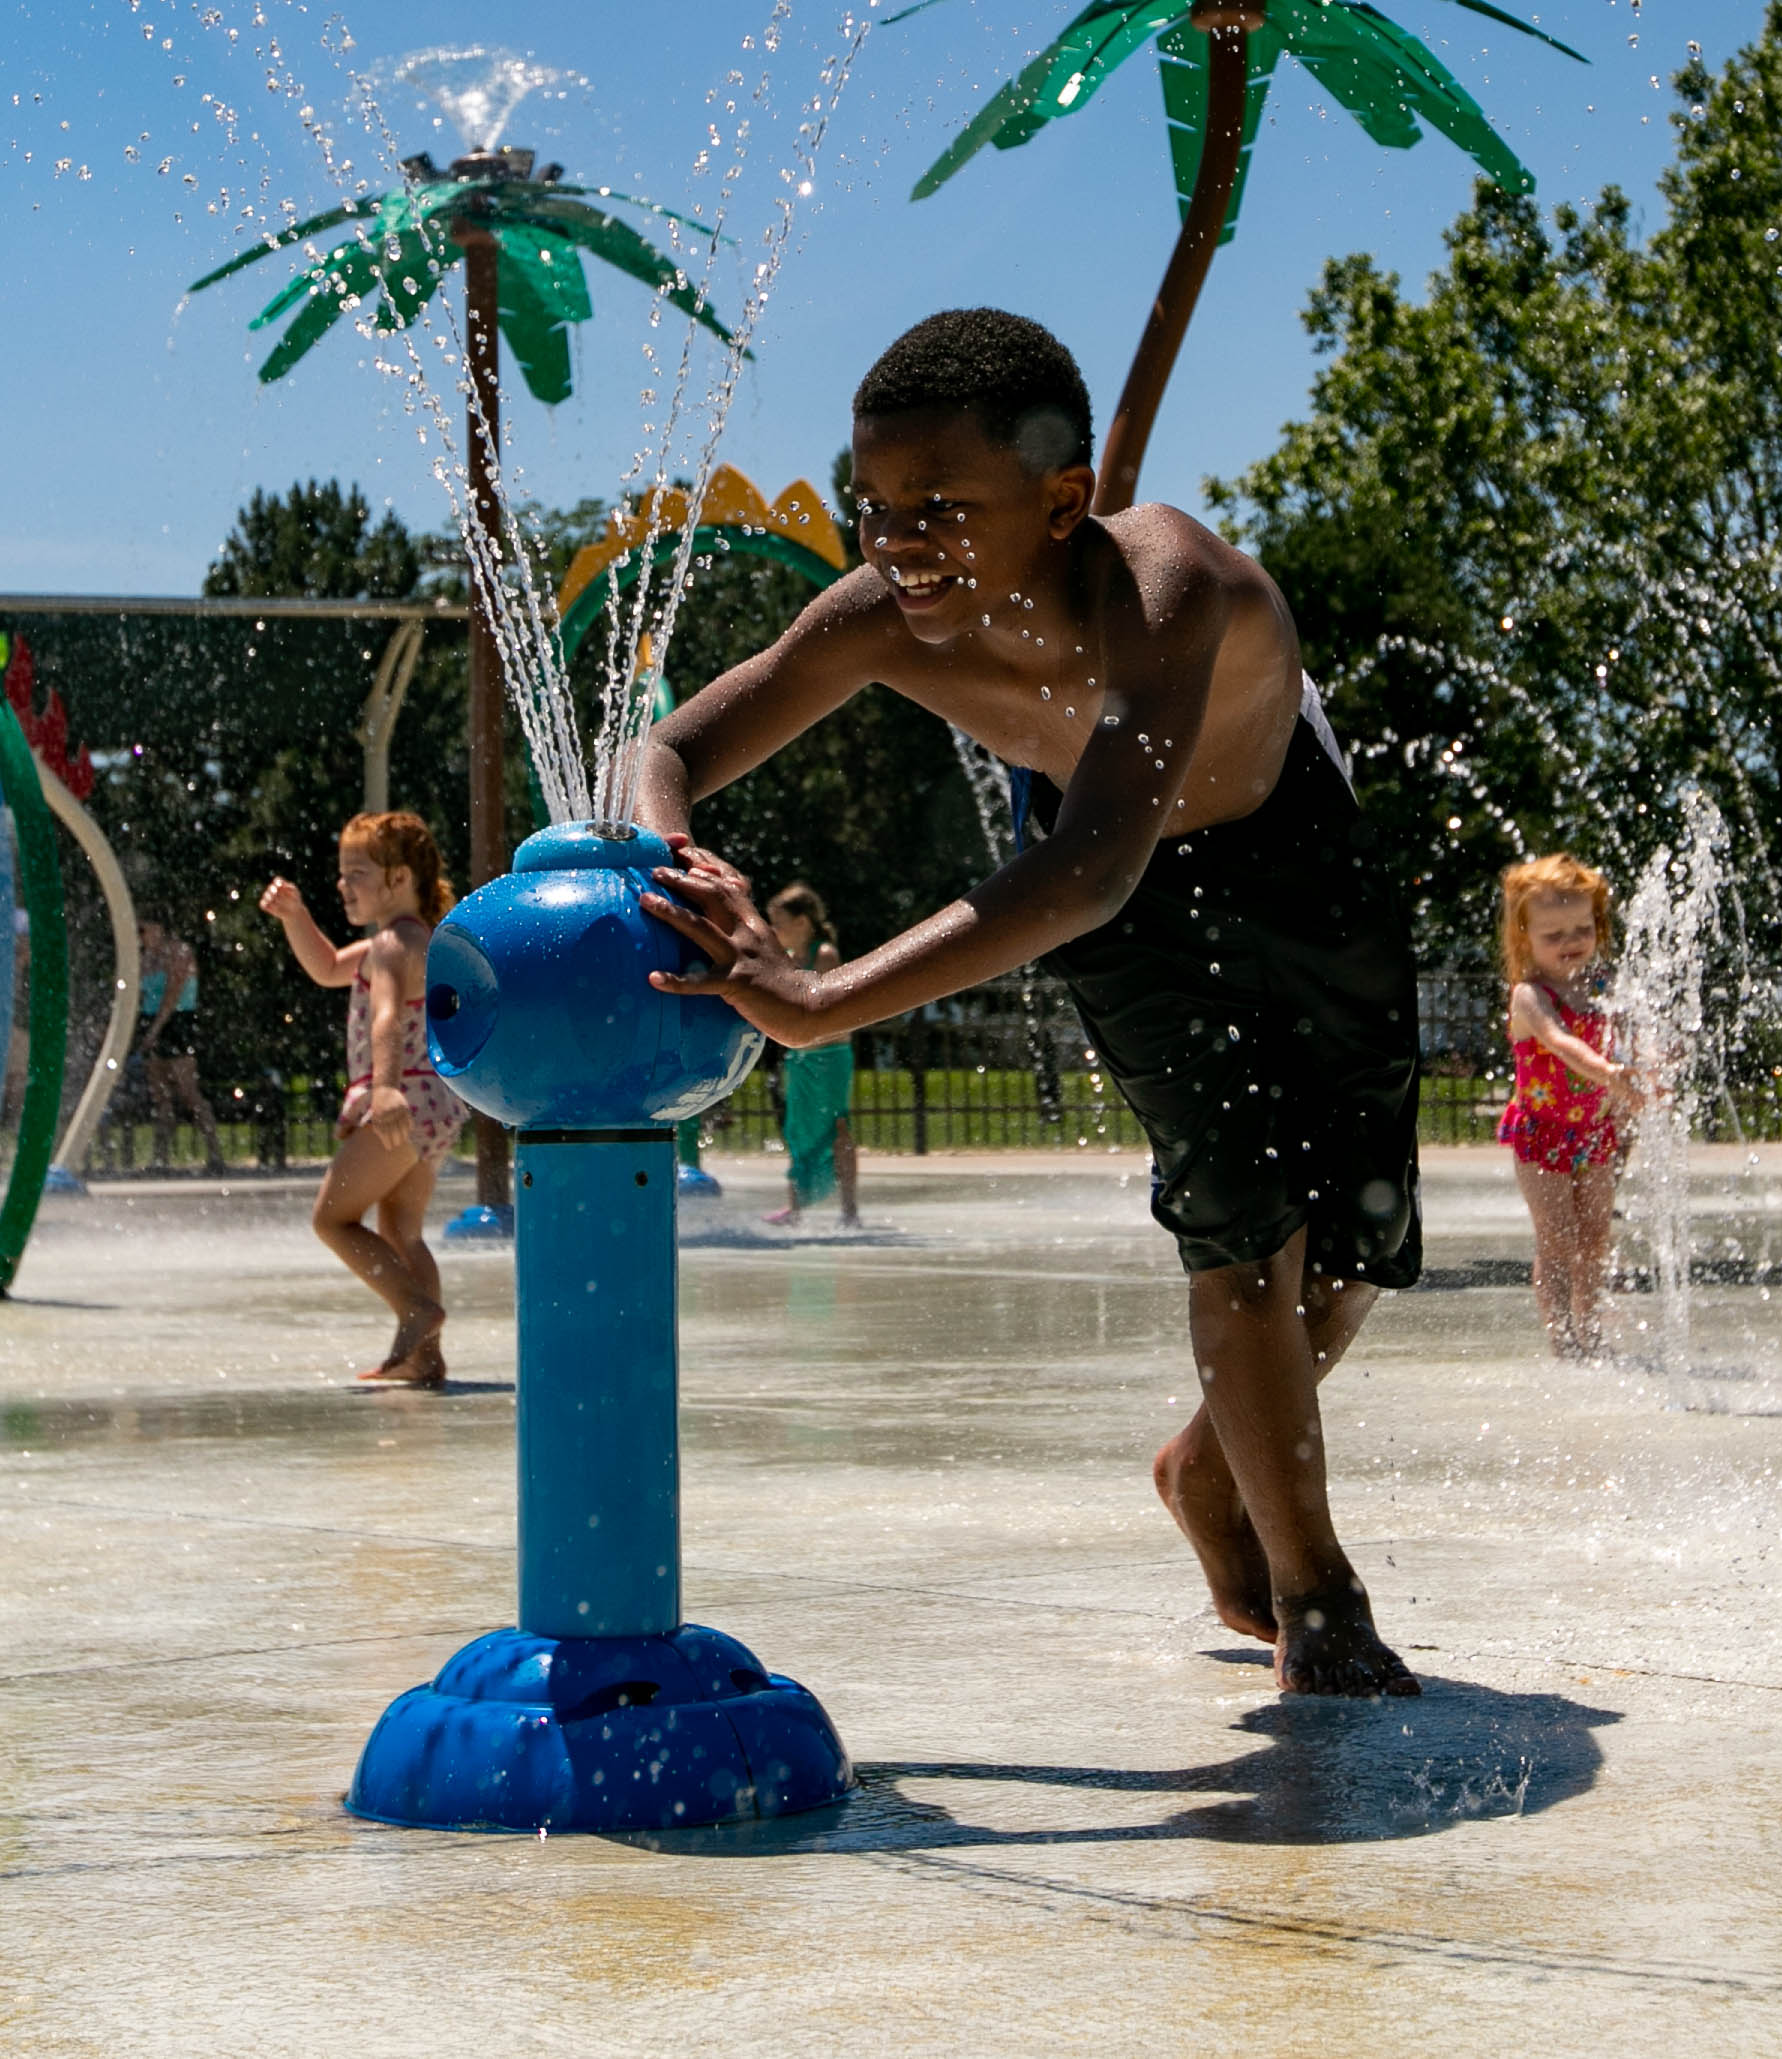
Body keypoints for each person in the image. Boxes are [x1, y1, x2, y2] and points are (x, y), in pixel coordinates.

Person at [626, 307, 1427, 1698]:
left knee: (1360, 1240)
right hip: (1122, 916)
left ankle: (1213, 1464)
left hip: (1288, 860)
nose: (898, 542)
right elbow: (667, 747)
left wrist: (815, 996)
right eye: (875, 506)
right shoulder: (878, 620)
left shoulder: (1170, 587)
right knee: (1239, 1225)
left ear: (1063, 503)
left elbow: (1092, 862)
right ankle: (1319, 1597)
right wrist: (679, 857)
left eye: (940, 507)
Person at [261, 810, 467, 1385]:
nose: (342, 884)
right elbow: (327, 967)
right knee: (403, 1232)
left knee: (332, 1219)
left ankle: (415, 1310)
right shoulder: (418, 941)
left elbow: (385, 1019)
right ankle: (425, 1358)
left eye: (356, 874)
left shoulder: (389, 948)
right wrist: (297, 917)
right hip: (436, 1107)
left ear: (399, 878)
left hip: (401, 1103)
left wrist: (384, 1089)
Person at [1495, 853, 1629, 1359]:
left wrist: (1652, 1063)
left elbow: (1633, 1031)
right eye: (1554, 934)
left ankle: (1590, 1331)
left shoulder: (1601, 986)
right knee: (1557, 1239)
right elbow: (1560, 1042)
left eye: (1582, 929)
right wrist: (1608, 1072)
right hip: (1541, 1136)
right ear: (1523, 938)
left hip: (1594, 1133)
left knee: (1594, 1238)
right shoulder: (1530, 996)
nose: (1571, 942)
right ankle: (1562, 1339)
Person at [757, 885, 863, 1228]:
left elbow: (831, 1010)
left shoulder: (825, 955)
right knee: (797, 1129)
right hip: (801, 1058)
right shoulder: (788, 958)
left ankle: (849, 1210)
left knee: (837, 1127)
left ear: (802, 923)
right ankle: (795, 1207)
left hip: (829, 1057)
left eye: (778, 922)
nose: (772, 929)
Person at [133, 915, 226, 1174]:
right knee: (160, 1096)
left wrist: (156, 1029)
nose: (140, 936)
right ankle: (161, 1158)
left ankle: (215, 1153)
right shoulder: (145, 958)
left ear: (159, 928)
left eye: (143, 930)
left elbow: (172, 993)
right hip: (151, 1019)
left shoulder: (179, 952)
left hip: (177, 1021)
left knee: (188, 1091)